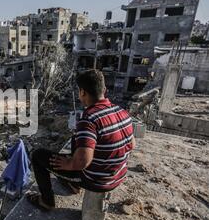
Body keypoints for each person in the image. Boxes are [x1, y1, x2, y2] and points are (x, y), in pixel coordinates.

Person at [28, 70, 136, 212]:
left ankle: (46, 201)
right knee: (76, 139)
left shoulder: (90, 118)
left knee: (38, 156)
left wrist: (68, 164)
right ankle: (73, 185)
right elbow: (132, 145)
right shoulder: (122, 111)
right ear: (104, 90)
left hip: (97, 181)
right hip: (118, 175)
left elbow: (82, 162)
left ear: (82, 92)